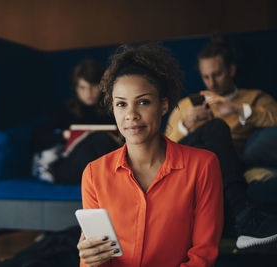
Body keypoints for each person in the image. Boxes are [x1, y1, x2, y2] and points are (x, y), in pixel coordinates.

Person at [77, 45, 224, 267]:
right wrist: (90, 260)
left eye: (143, 102)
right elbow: (97, 259)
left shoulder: (203, 166)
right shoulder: (94, 174)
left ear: (163, 105)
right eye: (121, 104)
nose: (131, 115)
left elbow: (203, 256)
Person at [165, 36, 277, 249]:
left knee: (219, 130)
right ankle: (245, 217)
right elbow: (164, 148)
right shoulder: (188, 105)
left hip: (227, 163)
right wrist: (185, 126)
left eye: (217, 74)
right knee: (216, 127)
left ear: (232, 70)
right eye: (206, 76)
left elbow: (274, 119)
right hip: (191, 160)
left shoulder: (253, 98)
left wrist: (238, 110)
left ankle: (240, 218)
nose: (211, 83)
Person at [31, 58, 121, 184]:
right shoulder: (66, 111)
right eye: (82, 88)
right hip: (71, 166)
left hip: (101, 162)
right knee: (99, 138)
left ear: (102, 86)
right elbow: (37, 140)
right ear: (76, 88)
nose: (88, 93)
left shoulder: (111, 111)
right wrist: (64, 135)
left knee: (104, 141)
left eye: (93, 87)